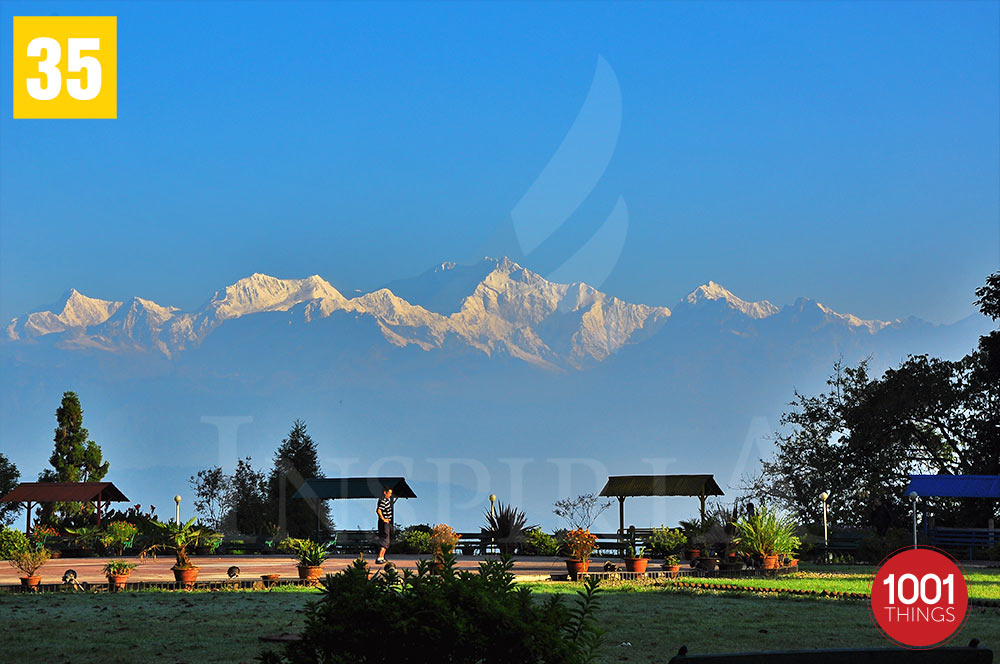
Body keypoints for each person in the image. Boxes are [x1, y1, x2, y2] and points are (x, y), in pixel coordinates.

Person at [375, 486, 393, 564]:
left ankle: (382, 557)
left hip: (386, 522)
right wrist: (383, 519)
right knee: (385, 540)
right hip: (384, 522)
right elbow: (378, 510)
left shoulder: (385, 500)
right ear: (385, 492)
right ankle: (379, 557)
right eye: (389, 493)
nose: (390, 495)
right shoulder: (383, 500)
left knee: (386, 539)